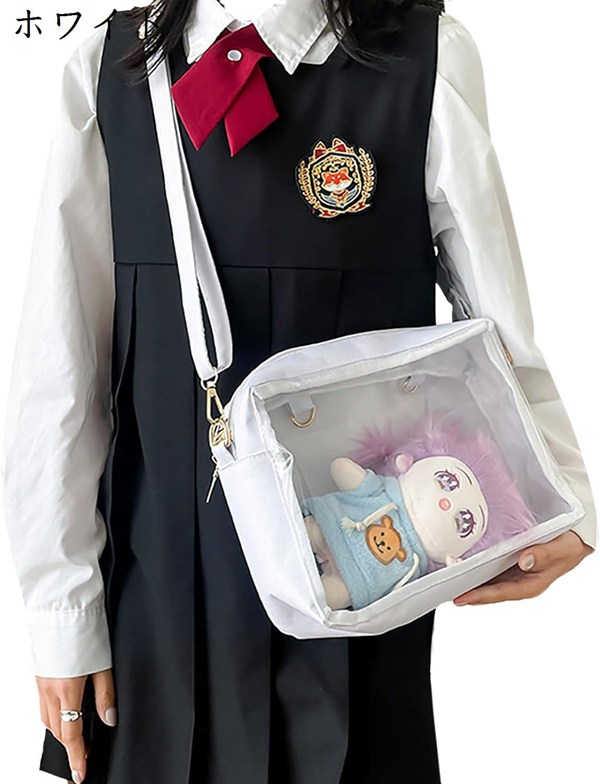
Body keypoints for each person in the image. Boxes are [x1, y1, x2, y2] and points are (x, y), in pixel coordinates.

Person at [1, 1, 596, 783]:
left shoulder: (425, 60)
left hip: (366, 574)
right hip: (156, 594)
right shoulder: (108, 72)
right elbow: (59, 367)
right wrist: (61, 613)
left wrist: (562, 499)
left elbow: (496, 324)